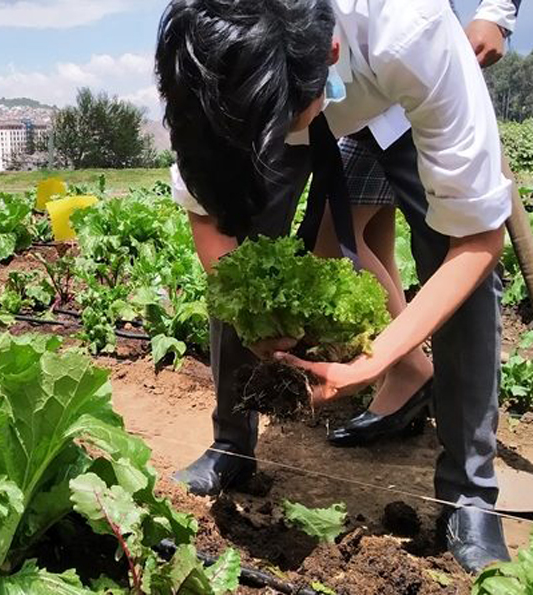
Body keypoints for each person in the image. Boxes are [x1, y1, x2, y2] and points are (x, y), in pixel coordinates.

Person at [156, 0, 517, 573]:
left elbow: (476, 241)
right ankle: (231, 446)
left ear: (329, 55)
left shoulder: (411, 30)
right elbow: (208, 218)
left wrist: (378, 356)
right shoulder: (212, 59)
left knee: (453, 253)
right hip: (296, 87)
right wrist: (256, 318)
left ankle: (467, 496)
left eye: (280, 122)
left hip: (392, 96)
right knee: (246, 246)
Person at [319, 0, 522, 447]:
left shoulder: (410, 29)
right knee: (362, 233)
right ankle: (407, 372)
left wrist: (497, 12)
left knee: (441, 246)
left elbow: (477, 236)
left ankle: (464, 459)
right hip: (360, 92)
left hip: (413, 81)